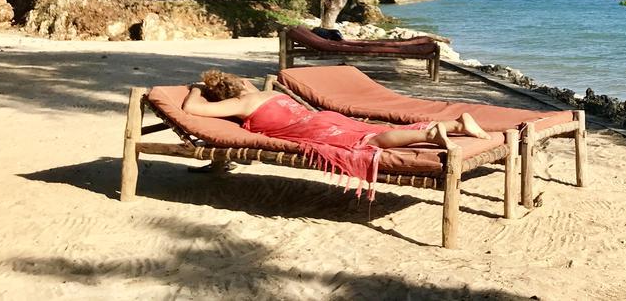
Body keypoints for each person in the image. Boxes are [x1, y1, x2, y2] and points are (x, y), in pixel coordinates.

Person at [182, 69, 491, 195]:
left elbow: (192, 109)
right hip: (322, 118)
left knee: (367, 143)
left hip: (312, 131)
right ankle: (457, 124)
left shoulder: (239, 103)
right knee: (375, 131)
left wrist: (196, 89)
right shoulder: (261, 93)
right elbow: (246, 89)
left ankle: (431, 134)